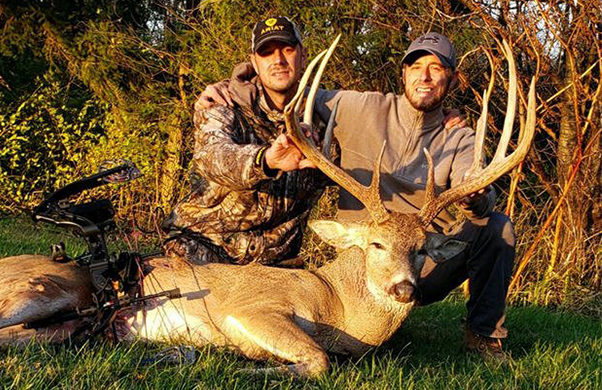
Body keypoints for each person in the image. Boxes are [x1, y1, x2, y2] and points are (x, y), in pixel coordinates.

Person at [196, 32, 514, 361]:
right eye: (416, 66)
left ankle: (483, 336)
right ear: (403, 73)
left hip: (421, 260)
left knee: (497, 228)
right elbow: (289, 92)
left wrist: (475, 196)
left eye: (436, 68)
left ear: (451, 77)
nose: (425, 76)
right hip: (361, 261)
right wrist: (233, 89)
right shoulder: (360, 107)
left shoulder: (460, 137)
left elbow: (477, 194)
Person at [162, 16, 329, 266]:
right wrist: (266, 160)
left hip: (275, 262)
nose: (278, 61)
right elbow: (212, 156)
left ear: (303, 56)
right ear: (254, 62)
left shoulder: (323, 118)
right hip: (205, 248)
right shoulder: (223, 104)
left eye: (287, 49)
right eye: (267, 53)